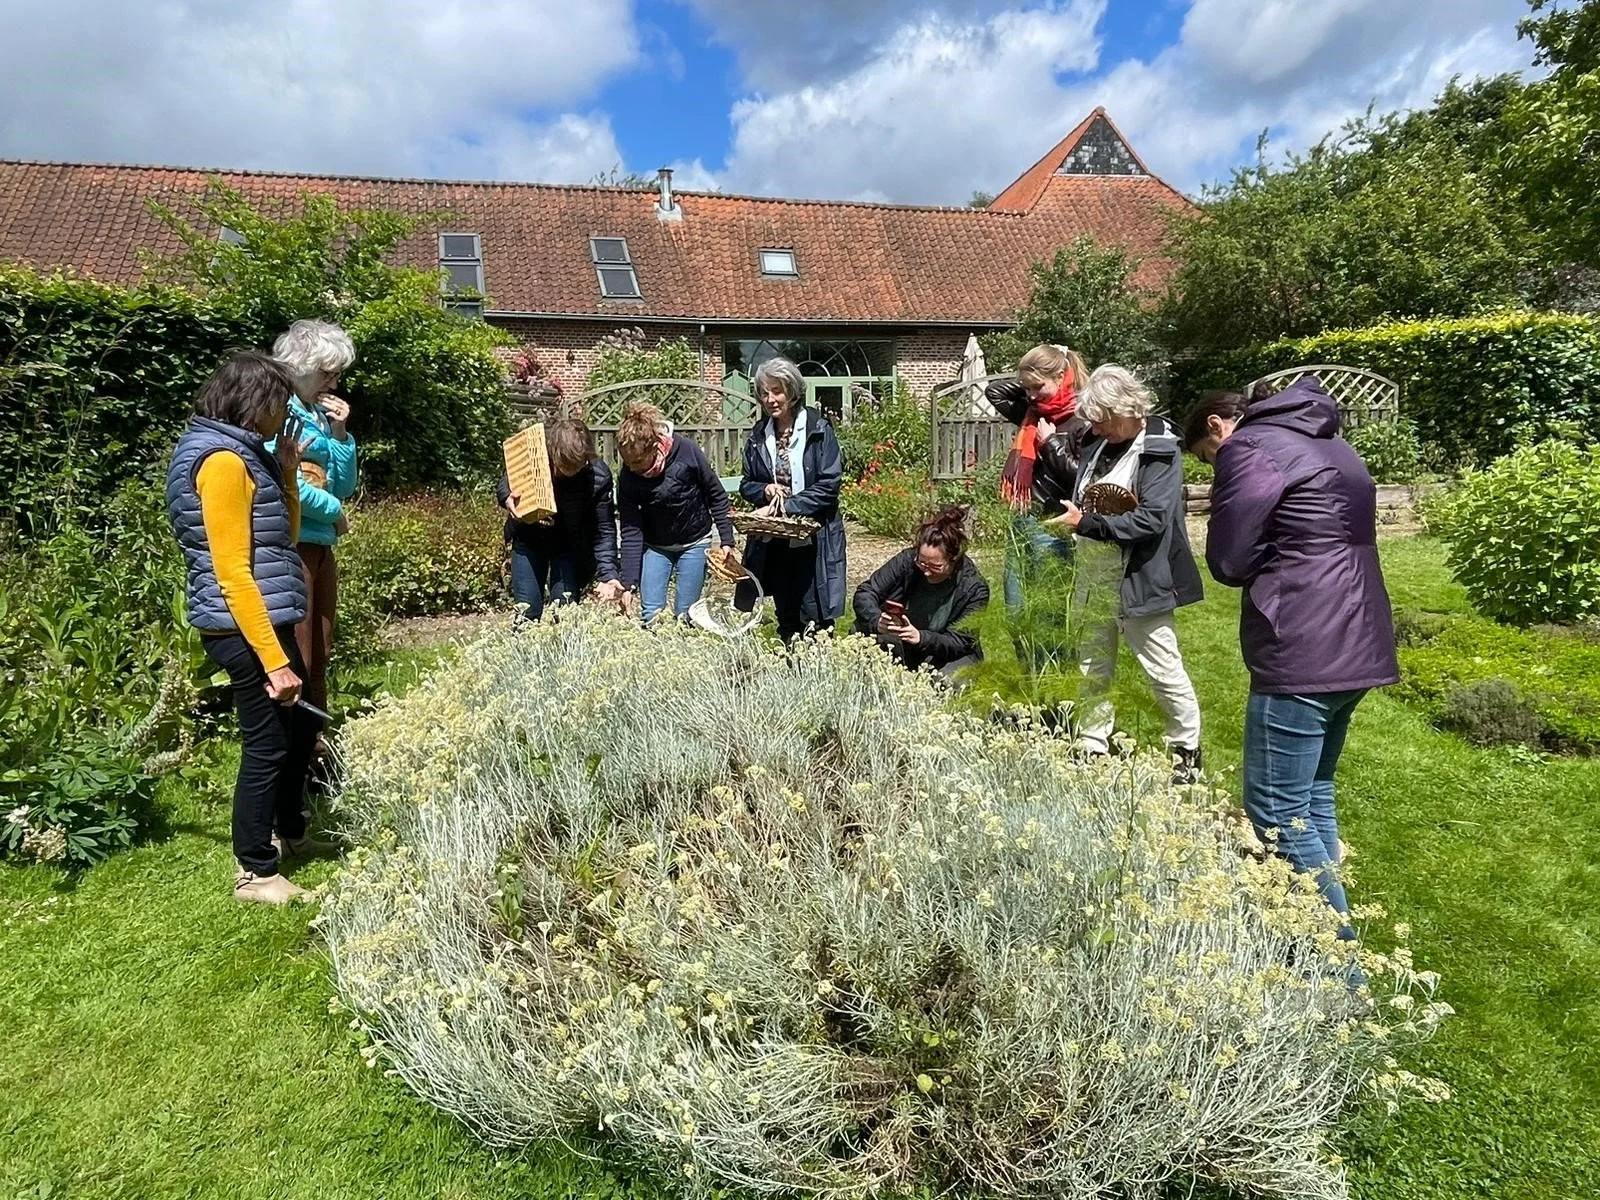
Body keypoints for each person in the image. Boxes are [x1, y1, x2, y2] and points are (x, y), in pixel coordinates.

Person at [1185, 378, 1399, 941]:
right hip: (1357, 632)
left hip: (1303, 638)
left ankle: (1336, 970)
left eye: (1208, 459)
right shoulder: (1333, 443)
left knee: (1277, 810)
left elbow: (1230, 560)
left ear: (1217, 427)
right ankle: (1327, 934)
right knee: (1313, 796)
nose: (1215, 466)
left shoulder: (1250, 446)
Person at [166, 351, 328, 905]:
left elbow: (282, 532)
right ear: (252, 401)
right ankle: (256, 870)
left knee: (300, 728)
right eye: (279, 401)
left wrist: (285, 470)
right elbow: (233, 571)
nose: (284, 412)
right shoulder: (222, 463)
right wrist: (276, 662)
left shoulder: (245, 455)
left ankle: (288, 830)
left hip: (264, 618)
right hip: (242, 625)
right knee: (267, 744)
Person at [1048, 365, 1204, 781]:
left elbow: (1153, 519)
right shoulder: (1098, 446)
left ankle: (1186, 751)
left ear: (1127, 408)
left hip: (1141, 576)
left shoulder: (1159, 451)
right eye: (1094, 420)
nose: (1098, 427)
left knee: (1162, 666)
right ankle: (1091, 741)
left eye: (1104, 418)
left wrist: (1087, 524)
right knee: (1091, 662)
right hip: (1093, 573)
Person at [267, 319, 358, 726]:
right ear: (303, 365)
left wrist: (340, 434)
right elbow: (287, 483)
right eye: (328, 373)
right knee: (300, 651)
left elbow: (341, 485)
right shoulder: (277, 410)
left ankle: (317, 737)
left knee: (321, 648)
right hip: (295, 544)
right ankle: (298, 743)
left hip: (321, 544)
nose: (334, 384)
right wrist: (335, 512)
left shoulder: (317, 415)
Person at [737, 357, 846, 640]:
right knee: (786, 617)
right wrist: (765, 491)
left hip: (814, 539)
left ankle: (819, 675)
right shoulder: (759, 436)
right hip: (775, 541)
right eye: (764, 393)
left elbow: (828, 485)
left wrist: (787, 506)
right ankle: (792, 674)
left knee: (816, 616)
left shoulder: (819, 430)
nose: (770, 399)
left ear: (793, 391)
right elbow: (746, 483)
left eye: (777, 391)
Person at [985, 343, 1091, 610]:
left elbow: (1083, 478)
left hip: (1054, 523)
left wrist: (1050, 443)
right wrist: (1029, 377)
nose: (1031, 395)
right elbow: (993, 392)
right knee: (1016, 610)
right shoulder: (1031, 413)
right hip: (1022, 519)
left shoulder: (1083, 420)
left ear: (1060, 377)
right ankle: (1028, 655)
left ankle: (1055, 655)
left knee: (1049, 611)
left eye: (1037, 386)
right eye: (1026, 387)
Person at [615, 402, 738, 622]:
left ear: (654, 446)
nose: (631, 467)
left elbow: (716, 495)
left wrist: (727, 540)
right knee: (650, 615)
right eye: (626, 462)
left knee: (685, 615)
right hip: (656, 546)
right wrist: (629, 584)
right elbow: (631, 530)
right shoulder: (628, 477)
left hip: (695, 541)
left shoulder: (687, 451)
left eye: (636, 461)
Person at [497, 418, 623, 619]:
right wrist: (506, 497)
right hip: (528, 539)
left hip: (570, 547)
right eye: (566, 464)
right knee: (527, 610)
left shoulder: (598, 477)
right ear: (553, 452)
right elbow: (507, 481)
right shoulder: (535, 456)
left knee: (564, 612)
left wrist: (608, 574)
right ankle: (524, 649)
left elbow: (603, 529)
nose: (572, 470)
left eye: (578, 465)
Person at [853, 505, 989, 676]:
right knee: (861, 636)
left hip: (947, 651)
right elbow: (866, 592)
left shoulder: (975, 589)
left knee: (949, 682)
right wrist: (876, 620)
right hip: (901, 641)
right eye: (922, 563)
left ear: (954, 560)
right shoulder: (907, 561)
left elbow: (962, 641)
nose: (926, 571)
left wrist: (920, 637)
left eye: (935, 566)